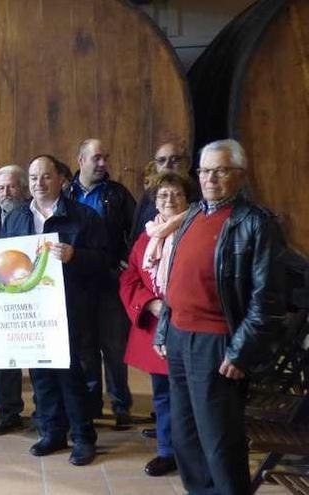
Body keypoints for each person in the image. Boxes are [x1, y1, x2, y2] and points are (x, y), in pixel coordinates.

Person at [155, 139, 286, 494]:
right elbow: (175, 278)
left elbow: (268, 298)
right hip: (181, 339)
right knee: (186, 438)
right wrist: (164, 329)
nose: (210, 178)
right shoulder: (195, 213)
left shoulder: (255, 223)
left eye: (221, 170)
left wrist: (241, 350)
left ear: (240, 176)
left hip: (217, 343)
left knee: (219, 442)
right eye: (204, 170)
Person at [0, 155, 104, 465]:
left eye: (45, 177)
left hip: (68, 312)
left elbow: (105, 261)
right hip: (30, 313)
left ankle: (83, 437)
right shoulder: (16, 217)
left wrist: (75, 255)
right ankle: (52, 432)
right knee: (41, 377)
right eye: (33, 178)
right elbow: (2, 258)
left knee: (71, 378)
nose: (38, 184)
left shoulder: (83, 216)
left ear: (60, 179)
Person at [119, 172, 194, 477]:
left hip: (190, 325)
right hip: (158, 327)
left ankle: (192, 453)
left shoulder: (195, 230)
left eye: (176, 194)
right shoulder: (146, 236)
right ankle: (167, 451)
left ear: (188, 199)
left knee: (189, 394)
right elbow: (130, 277)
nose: (169, 201)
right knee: (162, 393)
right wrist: (150, 302)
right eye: (162, 195)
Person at [69, 138, 135, 427]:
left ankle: (121, 405)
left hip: (109, 282)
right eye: (96, 158)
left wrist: (124, 264)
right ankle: (92, 404)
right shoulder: (65, 193)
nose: (102, 163)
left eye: (105, 157)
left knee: (114, 347)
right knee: (85, 347)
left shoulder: (118, 194)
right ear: (80, 160)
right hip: (78, 283)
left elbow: (136, 232)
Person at [0, 163, 31, 436]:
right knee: (4, 357)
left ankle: (43, 410)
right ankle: (7, 411)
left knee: (38, 356)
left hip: (31, 294)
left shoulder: (32, 214)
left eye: (12, 186)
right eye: (1, 187)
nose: (6, 192)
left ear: (24, 188)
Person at [129, 141, 193, 244]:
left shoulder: (197, 194)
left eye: (175, 159)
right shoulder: (149, 194)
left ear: (188, 163)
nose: (167, 165)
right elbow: (135, 235)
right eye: (161, 160)